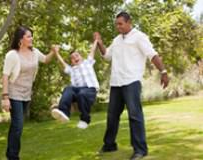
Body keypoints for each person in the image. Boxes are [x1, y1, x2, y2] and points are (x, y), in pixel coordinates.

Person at [94, 11, 169, 160]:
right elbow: (107, 56)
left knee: (135, 116)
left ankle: (140, 150)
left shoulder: (139, 37)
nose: (118, 27)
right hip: (116, 83)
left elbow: (152, 55)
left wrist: (164, 72)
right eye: (116, 24)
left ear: (129, 23)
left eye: (120, 24)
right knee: (112, 116)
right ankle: (109, 145)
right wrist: (100, 43)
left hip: (131, 82)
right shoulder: (116, 40)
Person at [1, 26, 58, 160]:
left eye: (31, 36)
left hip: (27, 94)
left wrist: (53, 52)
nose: (31, 38)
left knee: (17, 125)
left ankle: (10, 153)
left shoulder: (34, 52)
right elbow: (5, 76)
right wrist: (5, 97)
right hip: (14, 93)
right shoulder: (12, 55)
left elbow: (45, 59)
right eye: (28, 36)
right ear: (21, 39)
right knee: (18, 125)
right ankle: (13, 156)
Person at [51, 40, 99, 129]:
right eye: (72, 58)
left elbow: (92, 50)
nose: (75, 58)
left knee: (82, 93)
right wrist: (56, 53)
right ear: (72, 62)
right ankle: (64, 112)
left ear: (81, 57)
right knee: (68, 89)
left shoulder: (88, 63)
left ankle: (85, 119)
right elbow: (62, 63)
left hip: (90, 90)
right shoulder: (71, 69)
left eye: (76, 55)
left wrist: (96, 40)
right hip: (77, 90)